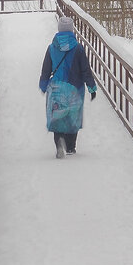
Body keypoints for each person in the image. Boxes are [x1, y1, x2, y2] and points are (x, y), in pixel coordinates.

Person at [38, 15, 98, 158]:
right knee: (72, 117)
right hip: (75, 88)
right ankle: (71, 147)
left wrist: (43, 85)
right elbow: (85, 70)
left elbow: (46, 69)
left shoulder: (52, 48)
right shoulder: (78, 48)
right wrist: (92, 87)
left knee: (57, 117)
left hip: (56, 88)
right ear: (71, 31)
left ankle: (59, 144)